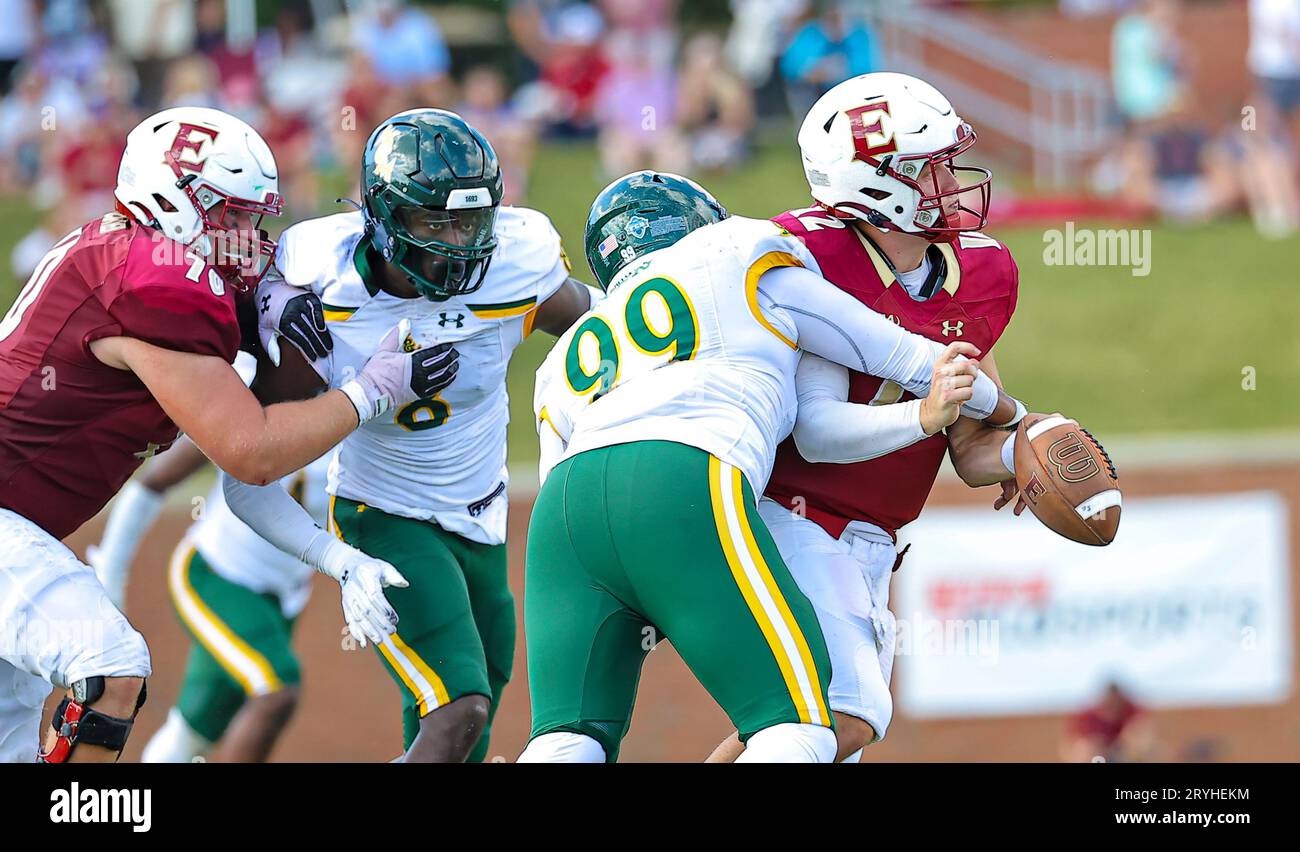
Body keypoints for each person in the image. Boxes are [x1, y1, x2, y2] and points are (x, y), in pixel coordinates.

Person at [520, 170, 1024, 763]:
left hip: (562, 522)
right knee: (799, 725)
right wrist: (1013, 415)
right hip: (680, 475)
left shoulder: (562, 357)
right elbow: (895, 352)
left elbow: (564, 478)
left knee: (568, 739)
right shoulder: (737, 251)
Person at [0, 106, 449, 763]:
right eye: (232, 216)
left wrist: (273, 337)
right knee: (111, 667)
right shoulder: (151, 276)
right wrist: (372, 392)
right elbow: (252, 451)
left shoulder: (125, 253)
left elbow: (253, 447)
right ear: (170, 199)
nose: (249, 239)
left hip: (20, 522)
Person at [220, 108, 595, 763]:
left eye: (471, 220)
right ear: (384, 218)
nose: (459, 243)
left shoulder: (517, 262)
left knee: (461, 734)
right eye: (435, 221)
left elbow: (603, 323)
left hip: (481, 521)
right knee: (460, 711)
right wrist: (339, 559)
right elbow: (246, 476)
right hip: (382, 514)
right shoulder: (322, 288)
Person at [701, 72, 1035, 763]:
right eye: (928, 168)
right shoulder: (814, 259)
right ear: (873, 181)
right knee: (845, 714)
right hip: (788, 514)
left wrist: (1023, 454)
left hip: (874, 541)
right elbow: (816, 435)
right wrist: (925, 414)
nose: (949, 181)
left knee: (813, 735)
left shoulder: (979, 274)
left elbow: (970, 444)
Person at [88, 352, 329, 763]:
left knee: (194, 730)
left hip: (281, 598)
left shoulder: (359, 402)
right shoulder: (254, 395)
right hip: (216, 576)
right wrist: (110, 575)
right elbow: (155, 482)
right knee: (278, 689)